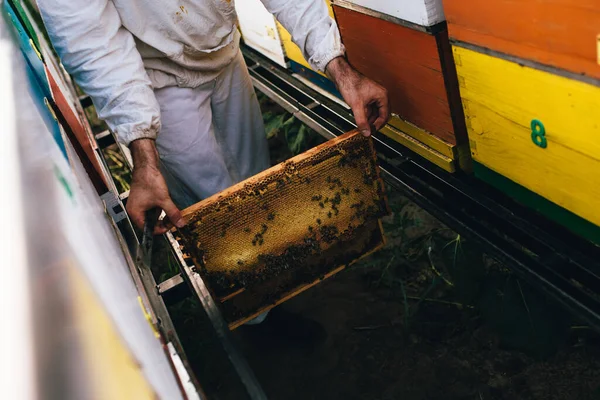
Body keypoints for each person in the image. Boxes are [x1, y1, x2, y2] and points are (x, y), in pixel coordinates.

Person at [38, 0, 389, 234]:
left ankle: (278, 287)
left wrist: (340, 69)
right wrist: (144, 157)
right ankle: (258, 321)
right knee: (219, 210)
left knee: (257, 178)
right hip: (156, 80)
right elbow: (94, 44)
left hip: (224, 55)